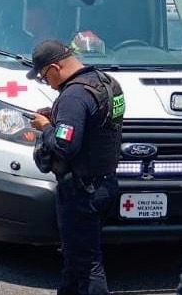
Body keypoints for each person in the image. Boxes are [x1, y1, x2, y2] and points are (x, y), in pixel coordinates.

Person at [26, 39, 125, 295]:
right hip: (104, 183)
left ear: (55, 68)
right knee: (75, 258)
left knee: (88, 265)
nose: (44, 82)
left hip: (81, 191)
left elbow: (64, 146)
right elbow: (97, 125)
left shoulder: (74, 96)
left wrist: (46, 127)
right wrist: (60, 118)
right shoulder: (106, 83)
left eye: (43, 76)